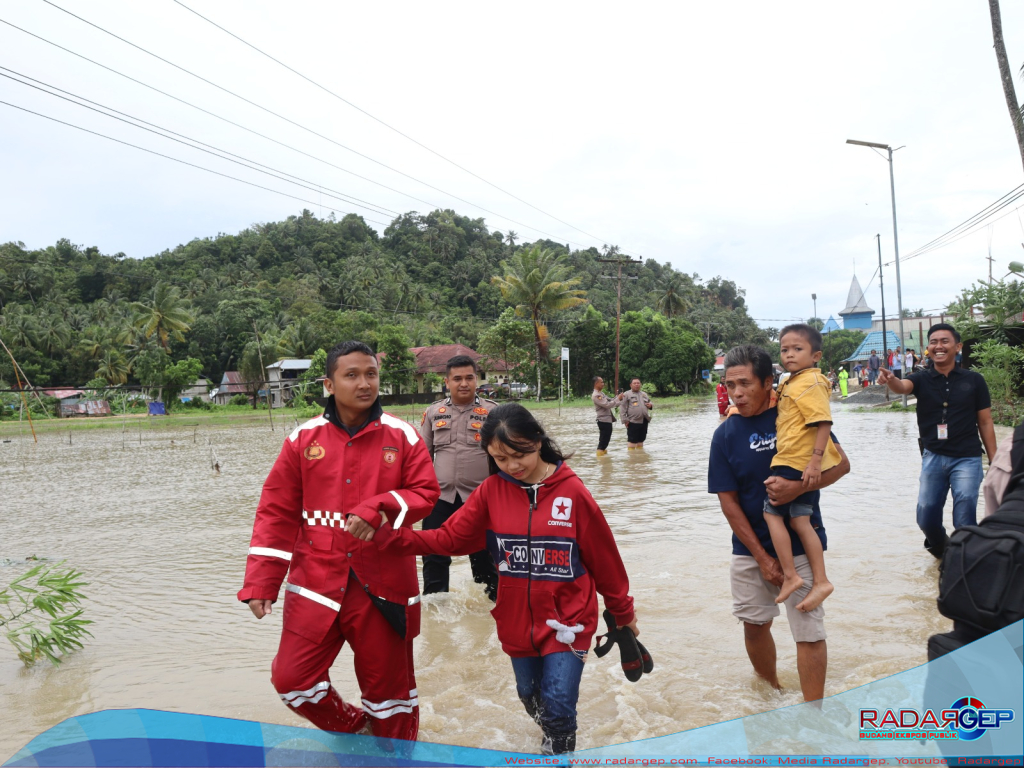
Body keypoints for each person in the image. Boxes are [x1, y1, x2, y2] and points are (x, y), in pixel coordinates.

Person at [381, 403, 638, 754]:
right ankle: (551, 738)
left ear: (537, 440)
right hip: (516, 621)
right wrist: (390, 538)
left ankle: (559, 751)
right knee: (530, 696)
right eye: (501, 459)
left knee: (560, 704)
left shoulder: (573, 493)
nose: (513, 466)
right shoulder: (491, 492)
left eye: (520, 454)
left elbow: (606, 561)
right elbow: (448, 539)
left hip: (569, 621)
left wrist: (624, 615)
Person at [237, 341, 441, 740]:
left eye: (371, 374)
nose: (364, 383)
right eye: (351, 375)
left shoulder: (403, 435)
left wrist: (381, 506)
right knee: (292, 679)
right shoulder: (302, 439)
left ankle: (393, 759)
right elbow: (276, 513)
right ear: (329, 384)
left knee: (391, 698)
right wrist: (262, 582)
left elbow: (426, 494)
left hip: (383, 585)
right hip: (315, 581)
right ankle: (356, 732)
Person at [709, 345, 850, 702]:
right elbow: (729, 503)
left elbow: (841, 466)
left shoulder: (794, 414)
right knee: (755, 625)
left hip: (803, 542)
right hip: (749, 548)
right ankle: (770, 693)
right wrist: (762, 558)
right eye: (730, 385)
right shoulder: (725, 434)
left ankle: (813, 711)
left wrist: (796, 488)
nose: (737, 393)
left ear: (769, 382)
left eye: (745, 384)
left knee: (809, 630)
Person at [878, 324, 998, 558]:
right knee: (926, 516)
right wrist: (891, 380)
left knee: (964, 517)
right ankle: (944, 552)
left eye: (945, 341)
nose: (938, 346)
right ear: (928, 349)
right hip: (933, 456)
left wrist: (995, 461)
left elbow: (985, 421)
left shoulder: (974, 380)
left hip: (968, 458)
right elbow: (903, 387)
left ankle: (962, 564)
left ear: (958, 346)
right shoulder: (921, 379)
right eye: (933, 342)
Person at [762, 324, 840, 610]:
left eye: (798, 349)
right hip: (794, 459)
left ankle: (792, 576)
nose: (790, 355)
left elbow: (823, 422)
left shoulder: (812, 382)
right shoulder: (791, 381)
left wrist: (816, 460)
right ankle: (820, 581)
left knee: (771, 513)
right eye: (784, 350)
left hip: (795, 460)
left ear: (815, 355)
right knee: (799, 520)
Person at [419, 355, 500, 601]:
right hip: (440, 498)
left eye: (469, 378)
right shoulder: (433, 412)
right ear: (447, 382)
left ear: (476, 380)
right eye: (457, 379)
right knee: (433, 554)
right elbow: (422, 457)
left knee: (485, 558)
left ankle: (488, 610)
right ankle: (435, 608)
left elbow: (503, 458)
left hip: (480, 500)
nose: (463, 383)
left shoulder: (493, 412)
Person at [592, 376, 623, 456]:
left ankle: (603, 458)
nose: (603, 384)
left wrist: (619, 398)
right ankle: (600, 457)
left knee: (606, 440)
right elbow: (607, 405)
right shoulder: (596, 395)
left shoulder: (601, 394)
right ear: (596, 383)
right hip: (603, 420)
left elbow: (611, 400)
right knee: (603, 441)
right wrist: (618, 399)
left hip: (607, 420)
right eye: (601, 382)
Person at [621, 377, 653, 449]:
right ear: (630, 385)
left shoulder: (644, 394)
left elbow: (650, 401)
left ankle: (639, 457)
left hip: (644, 420)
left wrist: (650, 405)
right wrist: (625, 420)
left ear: (640, 384)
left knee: (641, 440)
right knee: (632, 441)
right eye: (634, 383)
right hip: (632, 421)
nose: (636, 385)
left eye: (638, 383)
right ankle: (632, 458)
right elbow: (622, 408)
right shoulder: (626, 394)